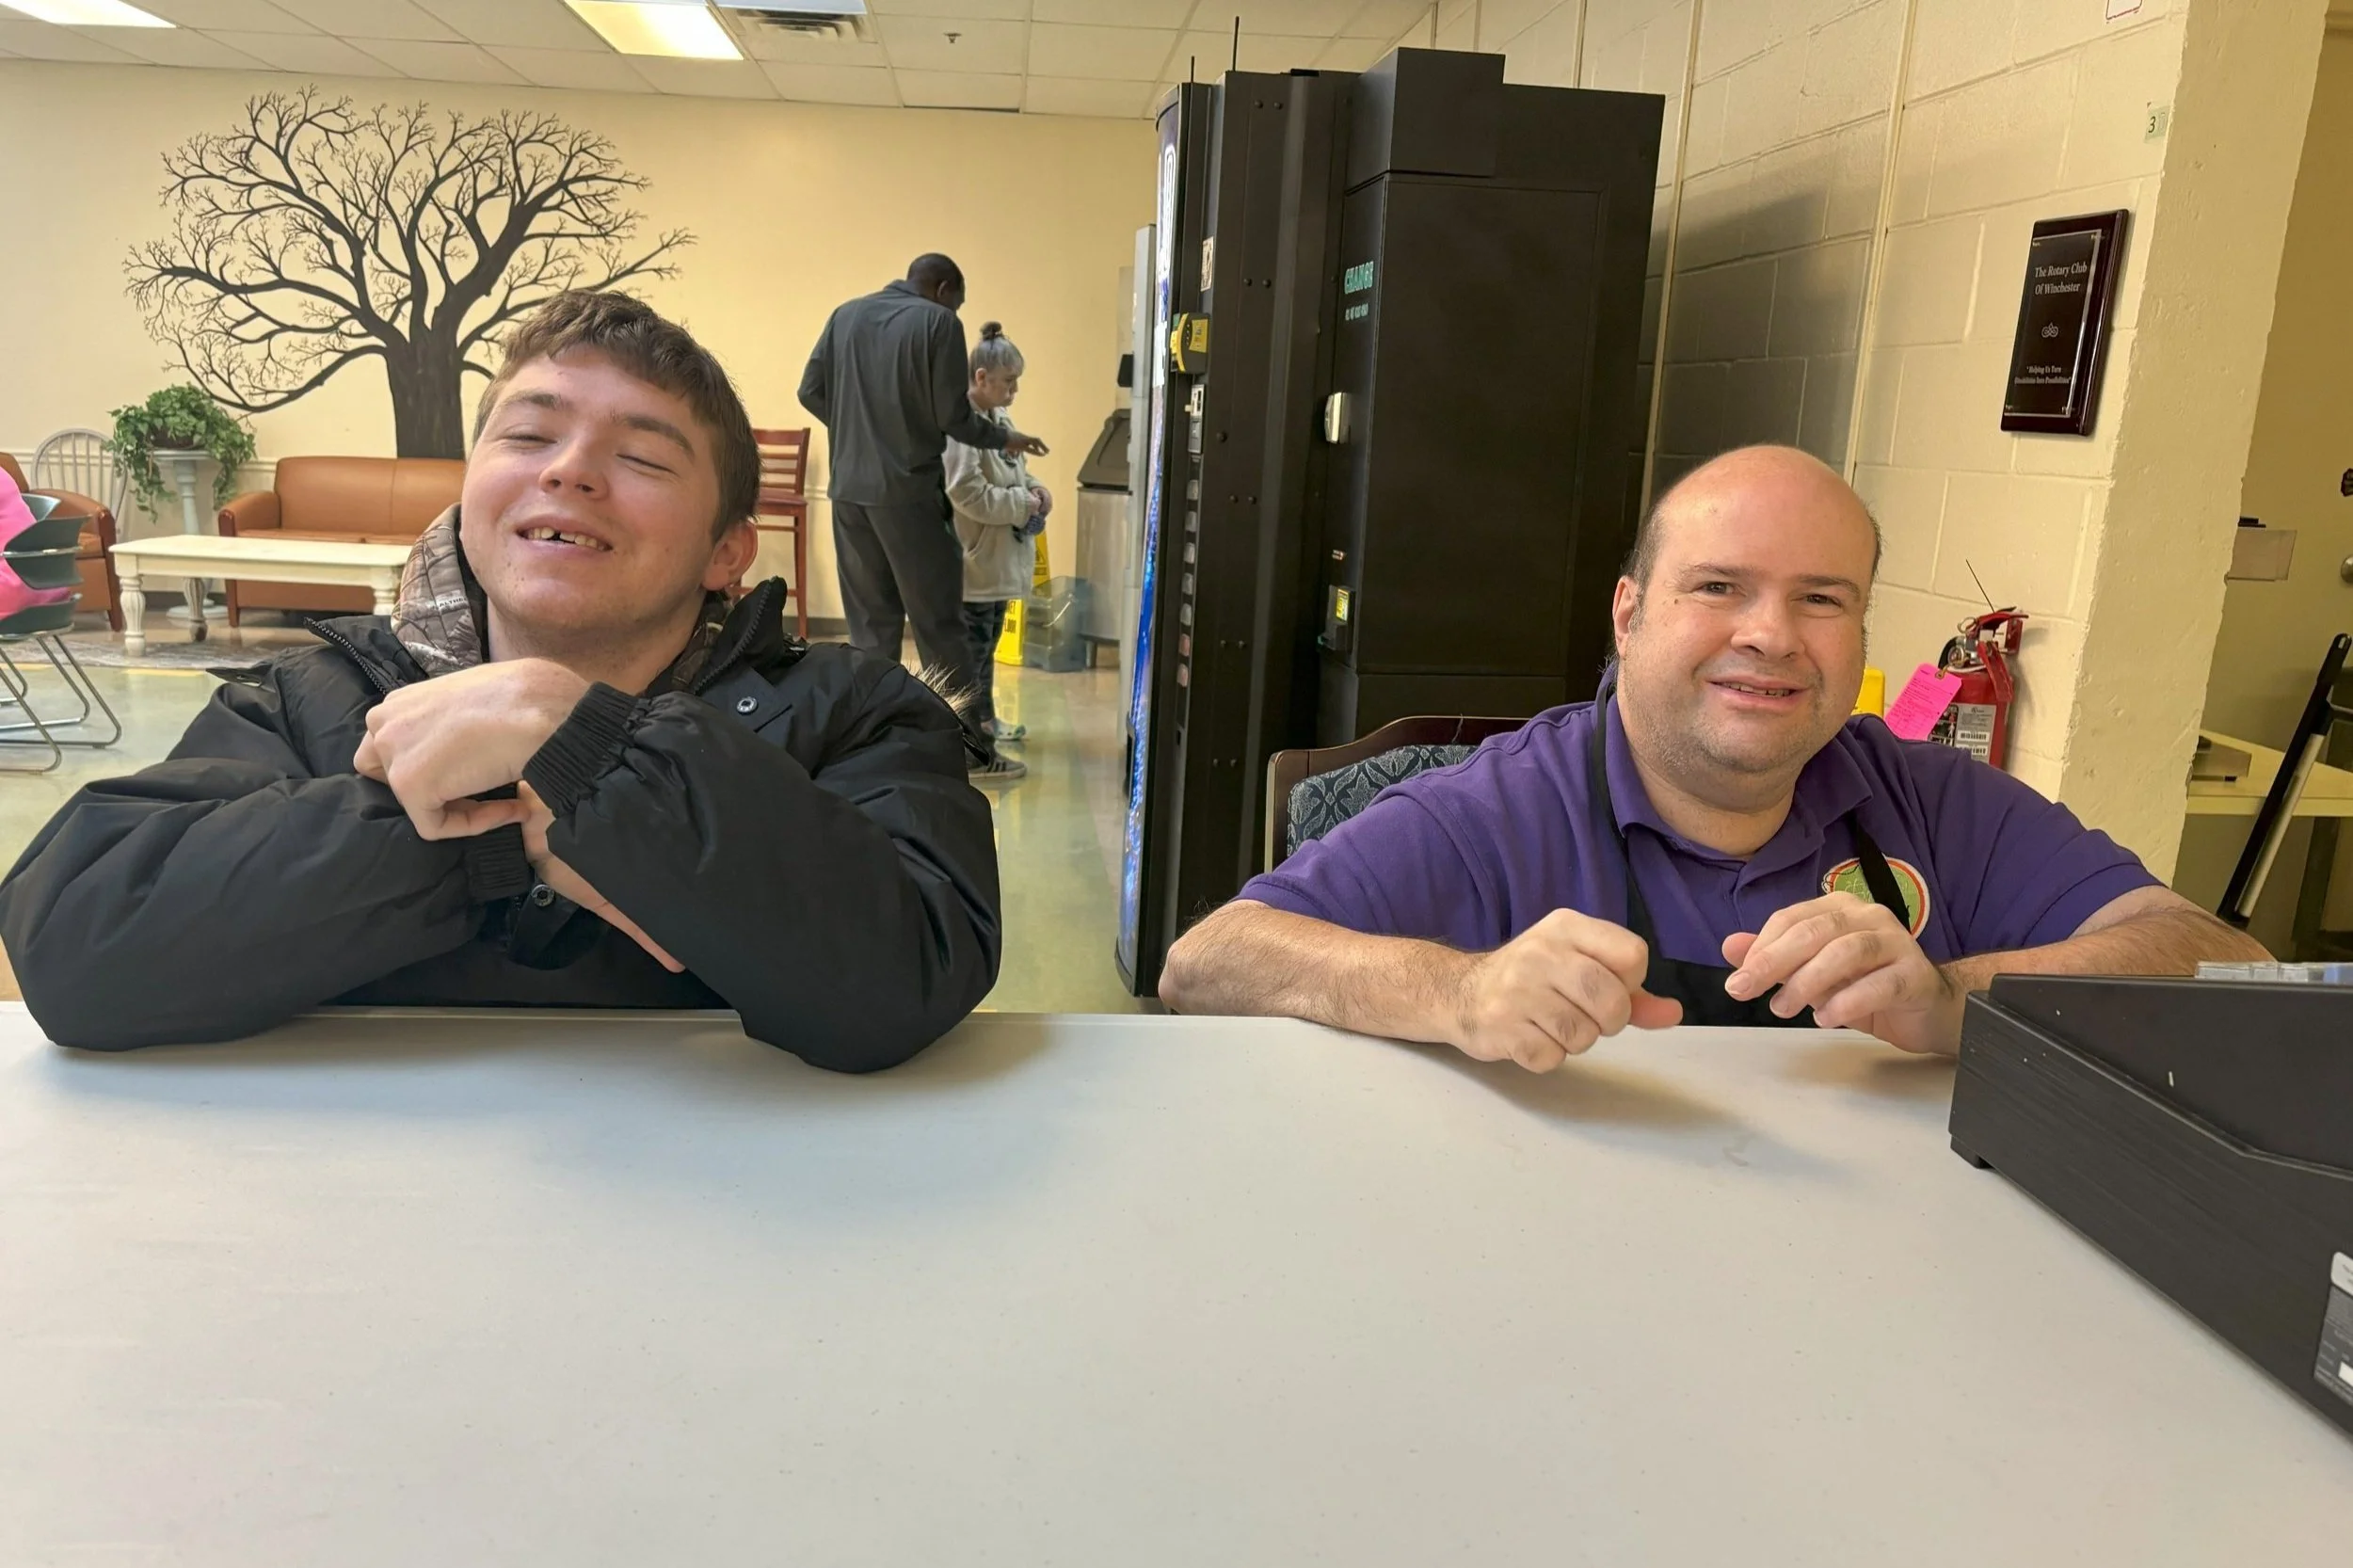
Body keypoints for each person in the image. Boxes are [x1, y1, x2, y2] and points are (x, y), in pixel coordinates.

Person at [0, 291, 1001, 1071]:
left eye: (643, 456)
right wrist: (514, 814)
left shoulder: (854, 715)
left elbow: (905, 975)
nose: (568, 470)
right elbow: (79, 946)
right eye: (527, 435)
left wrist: (588, 747)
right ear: (471, 488)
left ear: (726, 551)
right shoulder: (310, 701)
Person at [1158, 444, 2268, 1071]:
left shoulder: (1932, 802)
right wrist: (1460, 989)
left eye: (1821, 599)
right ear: (1629, 614)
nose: (1772, 636)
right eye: (1719, 587)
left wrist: (1952, 997)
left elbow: (2221, 962)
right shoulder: (1493, 810)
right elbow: (1209, 963)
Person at [799, 254, 1048, 786]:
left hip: (848, 495)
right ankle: (966, 753)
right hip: (909, 494)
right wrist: (1005, 438)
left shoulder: (845, 315)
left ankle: (868, 747)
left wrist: (861, 433)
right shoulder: (938, 322)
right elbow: (953, 418)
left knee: (872, 628)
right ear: (942, 289)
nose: (957, 311)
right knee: (940, 627)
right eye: (956, 301)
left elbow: (810, 391)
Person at [947, 322, 1050, 759]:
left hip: (996, 562)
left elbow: (1016, 472)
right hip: (975, 563)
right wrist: (1020, 504)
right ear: (982, 378)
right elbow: (964, 490)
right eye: (1009, 382)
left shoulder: (999, 419)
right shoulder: (961, 428)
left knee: (987, 649)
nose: (1015, 391)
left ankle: (985, 718)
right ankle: (971, 729)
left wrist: (1038, 491)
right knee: (972, 653)